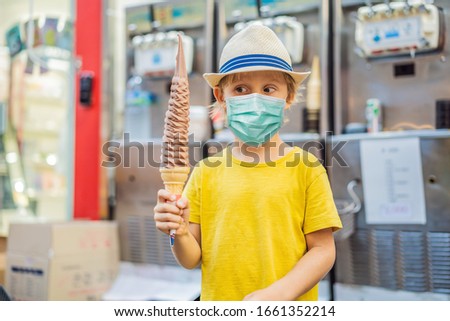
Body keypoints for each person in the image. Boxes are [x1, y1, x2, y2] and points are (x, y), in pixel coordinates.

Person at [154, 24, 342, 301]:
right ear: (221, 97)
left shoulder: (307, 168)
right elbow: (191, 258)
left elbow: (323, 250)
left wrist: (279, 293)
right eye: (241, 89)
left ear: (288, 97)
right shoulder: (206, 172)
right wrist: (178, 232)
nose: (255, 99)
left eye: (268, 89)